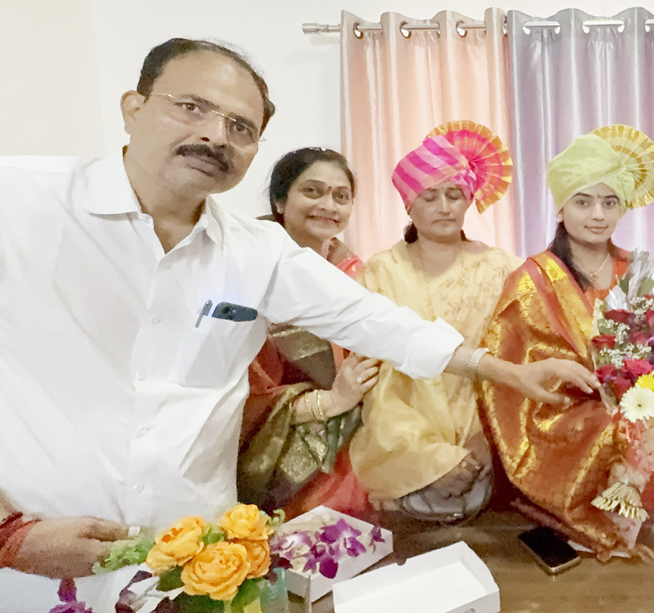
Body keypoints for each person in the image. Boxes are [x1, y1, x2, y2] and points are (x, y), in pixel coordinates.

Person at [0, 38, 596, 612]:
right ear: (133, 108)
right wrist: (10, 536)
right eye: (192, 107)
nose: (216, 135)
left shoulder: (255, 251)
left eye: (241, 127)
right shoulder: (21, 201)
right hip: (37, 565)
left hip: (200, 563)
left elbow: (377, 323)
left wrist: (508, 372)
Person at [478, 125, 654, 557]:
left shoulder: (640, 274)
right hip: (558, 432)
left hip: (635, 436)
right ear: (561, 209)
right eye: (583, 201)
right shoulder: (530, 281)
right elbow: (504, 380)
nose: (597, 214)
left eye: (609, 202)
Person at [346, 121, 522, 524]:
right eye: (430, 196)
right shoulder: (380, 272)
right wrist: (430, 459)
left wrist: (487, 440)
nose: (444, 207)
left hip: (490, 448)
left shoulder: (504, 269)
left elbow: (519, 358)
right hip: (402, 454)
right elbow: (378, 380)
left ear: (468, 200)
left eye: (454, 195)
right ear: (409, 205)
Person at [237, 147, 381, 519]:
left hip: (364, 440)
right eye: (312, 191)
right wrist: (332, 401)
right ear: (280, 201)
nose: (328, 205)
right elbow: (246, 397)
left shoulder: (357, 273)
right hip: (288, 458)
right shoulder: (249, 276)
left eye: (341, 196)